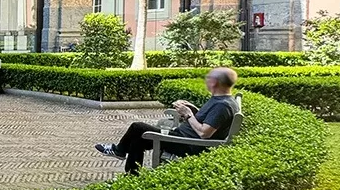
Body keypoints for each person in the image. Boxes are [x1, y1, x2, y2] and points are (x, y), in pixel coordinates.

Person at [95, 67, 239, 174]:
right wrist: (191, 108)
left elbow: (204, 134)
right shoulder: (222, 100)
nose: (206, 80)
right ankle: (131, 177)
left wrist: (188, 114)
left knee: (137, 127)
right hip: (180, 137)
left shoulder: (222, 105)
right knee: (138, 140)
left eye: (209, 78)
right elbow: (205, 120)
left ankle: (119, 151)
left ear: (214, 82)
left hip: (187, 144)